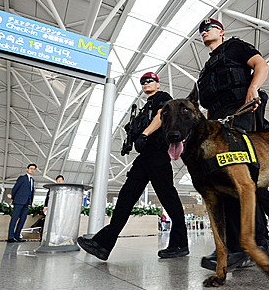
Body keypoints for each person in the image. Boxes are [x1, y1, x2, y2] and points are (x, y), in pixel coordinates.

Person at [197, 18, 269, 271]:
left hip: (239, 113)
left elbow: (261, 65)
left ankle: (256, 247)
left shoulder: (235, 47)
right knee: (224, 181)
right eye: (202, 31)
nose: (205, 32)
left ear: (221, 32)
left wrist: (253, 90)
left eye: (210, 28)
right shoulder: (206, 69)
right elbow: (208, 106)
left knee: (240, 179)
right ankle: (236, 247)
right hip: (216, 124)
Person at [77, 72, 188, 260]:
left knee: (168, 198)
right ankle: (103, 244)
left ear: (158, 83)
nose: (146, 84)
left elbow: (162, 114)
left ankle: (179, 244)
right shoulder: (144, 107)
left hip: (158, 154)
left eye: (150, 81)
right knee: (125, 198)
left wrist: (145, 134)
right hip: (144, 158)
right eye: (143, 82)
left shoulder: (163, 98)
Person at [7, 163, 36, 243]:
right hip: (19, 201)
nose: (32, 170)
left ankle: (17, 236)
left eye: (34, 169)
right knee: (14, 219)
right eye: (31, 168)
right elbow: (15, 188)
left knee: (23, 219)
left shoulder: (32, 180)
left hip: (27, 202)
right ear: (27, 169)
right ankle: (10, 237)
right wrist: (13, 198)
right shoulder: (22, 178)